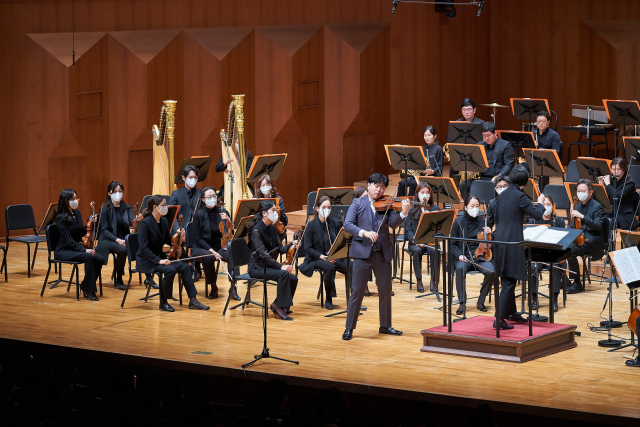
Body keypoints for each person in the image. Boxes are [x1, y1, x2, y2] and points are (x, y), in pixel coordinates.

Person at [342, 173, 410, 340]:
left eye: (382, 187)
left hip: (382, 255)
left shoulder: (388, 205)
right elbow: (348, 224)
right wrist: (364, 232)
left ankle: (385, 325)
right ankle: (349, 327)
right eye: (377, 186)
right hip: (362, 255)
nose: (379, 190)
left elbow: (393, 225)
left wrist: (403, 213)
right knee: (356, 292)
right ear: (369, 185)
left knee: (385, 291)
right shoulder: (358, 203)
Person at [493, 164, 545, 329]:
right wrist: (541, 203)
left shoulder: (501, 196)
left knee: (507, 278)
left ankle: (512, 313)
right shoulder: (520, 196)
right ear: (524, 181)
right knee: (509, 281)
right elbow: (537, 214)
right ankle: (499, 319)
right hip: (512, 242)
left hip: (499, 241)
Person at [136, 195, 209, 312]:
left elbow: (168, 239)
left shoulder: (163, 221)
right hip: (147, 260)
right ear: (155, 207)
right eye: (164, 205)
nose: (166, 208)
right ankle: (163, 302)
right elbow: (143, 248)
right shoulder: (145, 224)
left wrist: (179, 237)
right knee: (170, 270)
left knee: (185, 267)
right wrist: (159, 261)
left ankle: (193, 300)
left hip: (160, 257)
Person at [247, 200, 300, 320]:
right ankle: (279, 307)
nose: (276, 212)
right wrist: (281, 266)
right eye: (273, 210)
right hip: (257, 267)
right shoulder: (256, 231)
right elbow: (263, 254)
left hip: (267, 265)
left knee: (293, 278)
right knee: (283, 274)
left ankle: (278, 304)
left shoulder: (272, 228)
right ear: (264, 213)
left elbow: (280, 249)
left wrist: (292, 244)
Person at [190, 186, 240, 301]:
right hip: (202, 247)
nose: (212, 198)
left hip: (220, 246)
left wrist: (229, 220)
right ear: (203, 199)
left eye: (214, 196)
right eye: (209, 197)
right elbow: (197, 238)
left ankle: (233, 287)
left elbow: (229, 233)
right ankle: (213, 286)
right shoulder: (198, 214)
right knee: (208, 257)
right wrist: (211, 250)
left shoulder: (223, 212)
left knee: (233, 254)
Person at [54, 189, 104, 301]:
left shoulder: (76, 213)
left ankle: (86, 285)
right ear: (65, 201)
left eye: (76, 198)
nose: (75, 201)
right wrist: (83, 250)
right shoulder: (61, 217)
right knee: (89, 256)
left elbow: (80, 232)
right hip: (64, 250)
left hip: (74, 248)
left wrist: (89, 223)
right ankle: (90, 290)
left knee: (99, 258)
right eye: (72, 199)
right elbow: (68, 240)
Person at [299, 196, 347, 310]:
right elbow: (308, 249)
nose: (326, 209)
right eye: (324, 207)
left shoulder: (335, 223)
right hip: (316, 258)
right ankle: (328, 298)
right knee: (329, 267)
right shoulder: (311, 225)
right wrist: (323, 257)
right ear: (317, 208)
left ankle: (353, 299)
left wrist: (335, 255)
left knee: (353, 266)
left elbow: (340, 243)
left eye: (329, 207)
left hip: (333, 257)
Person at [450, 195, 495, 314]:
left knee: (491, 272)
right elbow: (452, 244)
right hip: (465, 256)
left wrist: (490, 233)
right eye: (472, 206)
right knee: (459, 269)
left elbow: (491, 242)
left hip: (482, 256)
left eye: (477, 206)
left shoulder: (483, 221)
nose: (475, 208)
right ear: (465, 207)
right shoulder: (458, 222)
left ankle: (481, 301)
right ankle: (462, 303)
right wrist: (459, 255)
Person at [95, 181, 142, 290]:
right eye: (115, 191)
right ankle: (119, 278)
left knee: (144, 244)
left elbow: (132, 222)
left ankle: (148, 277)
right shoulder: (104, 209)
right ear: (109, 193)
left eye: (120, 191)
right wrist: (118, 240)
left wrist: (137, 220)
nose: (118, 193)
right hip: (108, 240)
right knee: (122, 250)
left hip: (123, 238)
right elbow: (104, 230)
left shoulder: (127, 207)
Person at [528, 194, 566, 312]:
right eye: (543, 204)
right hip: (538, 255)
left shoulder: (559, 221)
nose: (545, 207)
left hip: (552, 255)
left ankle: (554, 299)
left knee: (555, 268)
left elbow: (562, 242)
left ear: (553, 206)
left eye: (548, 204)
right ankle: (534, 299)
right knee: (533, 268)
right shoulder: (533, 220)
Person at [459, 121, 515, 201]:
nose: (486, 138)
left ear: (495, 133)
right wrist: (472, 167)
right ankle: (470, 206)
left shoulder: (506, 145)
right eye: (484, 136)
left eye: (488, 135)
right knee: (463, 185)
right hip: (482, 177)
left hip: (498, 178)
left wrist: (498, 176)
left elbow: (509, 165)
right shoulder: (480, 144)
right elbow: (475, 161)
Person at [566, 179, 605, 294]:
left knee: (569, 251)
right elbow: (571, 225)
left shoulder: (597, 207)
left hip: (592, 241)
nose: (580, 193)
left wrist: (582, 217)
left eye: (583, 191)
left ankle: (577, 283)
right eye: (578, 191)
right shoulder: (577, 206)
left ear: (590, 192)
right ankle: (564, 280)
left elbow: (598, 226)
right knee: (562, 248)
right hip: (579, 239)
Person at [404, 183, 440, 293]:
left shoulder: (435, 208)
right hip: (415, 242)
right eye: (422, 192)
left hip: (430, 242)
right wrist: (415, 241)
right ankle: (419, 280)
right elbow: (408, 230)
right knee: (417, 250)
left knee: (435, 251)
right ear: (417, 194)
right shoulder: (412, 209)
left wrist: (428, 217)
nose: (425, 195)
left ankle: (433, 280)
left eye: (427, 193)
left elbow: (438, 229)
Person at [397, 126, 444, 197]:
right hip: (420, 175)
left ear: (435, 136)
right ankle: (400, 202)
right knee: (402, 183)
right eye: (425, 136)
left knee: (414, 183)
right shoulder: (422, 148)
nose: (427, 137)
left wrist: (433, 171)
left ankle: (412, 204)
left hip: (432, 176)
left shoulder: (438, 148)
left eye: (429, 135)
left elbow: (440, 166)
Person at [600, 157, 637, 231]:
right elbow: (604, 199)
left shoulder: (630, 184)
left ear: (624, 169)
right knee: (597, 219)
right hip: (612, 212)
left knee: (605, 222)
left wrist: (607, 184)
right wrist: (601, 186)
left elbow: (616, 196)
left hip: (624, 216)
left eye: (618, 169)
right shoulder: (611, 181)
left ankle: (608, 242)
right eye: (613, 169)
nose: (616, 172)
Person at [168, 165, 202, 233]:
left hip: (198, 231)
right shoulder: (176, 194)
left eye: (195, 177)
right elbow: (171, 215)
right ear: (184, 177)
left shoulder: (201, 194)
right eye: (191, 177)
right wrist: (178, 229)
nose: (193, 180)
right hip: (181, 230)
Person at [534, 111, 563, 192]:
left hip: (548, 162)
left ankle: (543, 193)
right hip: (534, 160)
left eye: (543, 121)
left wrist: (542, 152)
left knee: (543, 168)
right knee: (521, 167)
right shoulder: (533, 133)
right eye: (539, 121)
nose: (541, 123)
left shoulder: (554, 135)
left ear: (548, 122)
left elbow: (555, 152)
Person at [255, 174, 288, 241]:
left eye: (268, 184)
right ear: (259, 187)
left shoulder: (278, 199)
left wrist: (279, 213)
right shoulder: (256, 200)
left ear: (271, 186)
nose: (265, 187)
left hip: (276, 230)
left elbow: (285, 221)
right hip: (262, 230)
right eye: (263, 185)